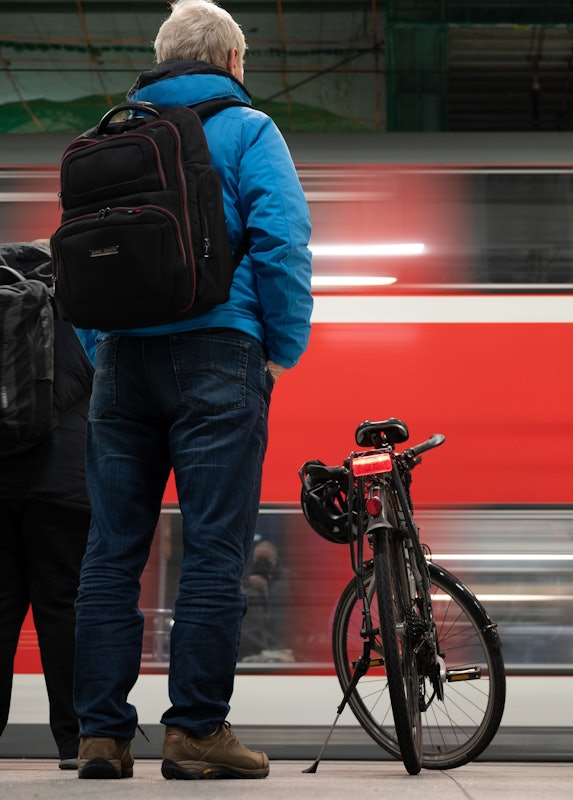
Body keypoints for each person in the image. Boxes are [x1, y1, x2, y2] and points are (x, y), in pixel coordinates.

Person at [71, 0, 313, 781]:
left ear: (161, 58)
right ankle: (195, 733)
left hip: (120, 365)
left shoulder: (112, 135)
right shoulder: (248, 131)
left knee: (111, 553)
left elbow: (76, 264)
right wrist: (281, 347)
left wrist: (101, 350)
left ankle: (101, 736)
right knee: (214, 549)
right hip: (220, 350)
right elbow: (281, 238)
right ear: (233, 62)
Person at [0, 240, 93, 771]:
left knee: (1, 611)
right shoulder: (76, 312)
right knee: (61, 610)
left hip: (0, 483)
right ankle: (75, 741)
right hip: (61, 484)